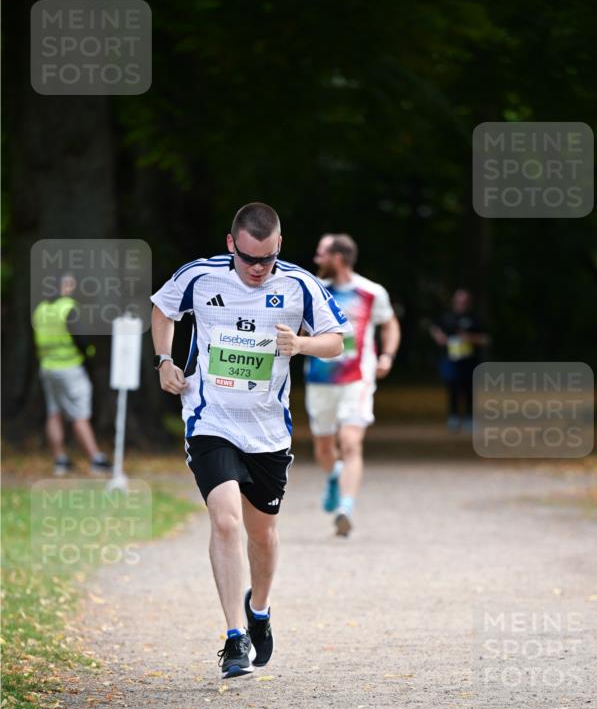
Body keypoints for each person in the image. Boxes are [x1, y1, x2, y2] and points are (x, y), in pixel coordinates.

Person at [150, 202, 351, 680]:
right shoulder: (200, 276)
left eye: (267, 259)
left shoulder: (299, 284)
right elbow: (162, 308)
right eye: (248, 259)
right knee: (225, 522)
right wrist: (164, 360)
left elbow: (336, 339)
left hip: (267, 430)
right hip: (210, 420)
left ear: (279, 245)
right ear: (230, 245)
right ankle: (234, 638)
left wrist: (300, 344)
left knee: (262, 533)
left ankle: (258, 609)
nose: (259, 269)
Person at [305, 233, 401, 537]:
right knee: (323, 448)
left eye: (321, 254)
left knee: (350, 442)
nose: (316, 259)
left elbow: (390, 323)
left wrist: (387, 355)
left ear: (337, 258)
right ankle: (334, 475)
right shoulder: (314, 291)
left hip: (357, 380)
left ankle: (346, 507)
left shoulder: (371, 292)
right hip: (320, 380)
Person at [32, 274, 110, 475]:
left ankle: (60, 460)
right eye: (70, 285)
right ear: (64, 286)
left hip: (47, 367)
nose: (72, 289)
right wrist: (90, 356)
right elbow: (81, 339)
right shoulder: (68, 307)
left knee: (54, 412)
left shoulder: (41, 309)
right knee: (80, 415)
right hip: (70, 366)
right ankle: (95, 459)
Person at [429, 288, 487, 432]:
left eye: (465, 301)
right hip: (451, 360)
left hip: (470, 361)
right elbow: (434, 328)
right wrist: (439, 336)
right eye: (459, 301)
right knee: (452, 388)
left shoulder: (475, 318)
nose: (462, 304)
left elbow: (486, 339)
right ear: (454, 301)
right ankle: (453, 417)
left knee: (469, 389)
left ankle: (469, 417)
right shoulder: (447, 317)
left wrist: (470, 338)